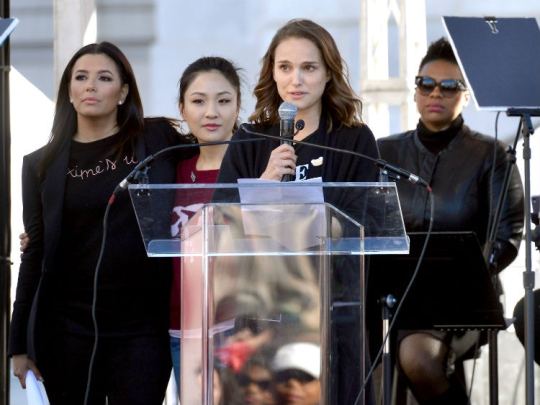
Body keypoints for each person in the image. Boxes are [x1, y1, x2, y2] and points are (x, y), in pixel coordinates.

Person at [9, 41, 194, 405]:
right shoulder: (40, 165)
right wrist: (18, 344)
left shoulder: (155, 139)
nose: (91, 85)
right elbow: (35, 254)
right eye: (81, 77)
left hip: (142, 329)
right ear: (69, 90)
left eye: (104, 78)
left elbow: (213, 157)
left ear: (123, 92)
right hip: (66, 330)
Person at [217, 18, 380, 405]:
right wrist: (265, 182)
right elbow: (220, 219)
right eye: (285, 67)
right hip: (262, 309)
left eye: (309, 67)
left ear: (328, 73)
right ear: (272, 73)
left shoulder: (353, 139)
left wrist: (308, 217)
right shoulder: (250, 139)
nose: (296, 79)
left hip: (332, 308)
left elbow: (365, 221)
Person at [376, 37, 524, 404]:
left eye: (449, 86)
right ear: (415, 91)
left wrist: (470, 274)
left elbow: (509, 236)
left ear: (466, 95)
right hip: (395, 295)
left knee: (418, 357)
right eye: (426, 84)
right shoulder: (384, 151)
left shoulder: (492, 155)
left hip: (465, 300)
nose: (435, 93)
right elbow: (368, 223)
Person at [168, 56, 242, 394]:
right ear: (182, 109)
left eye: (223, 101)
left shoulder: (254, 168)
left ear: (238, 107)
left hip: (238, 330)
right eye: (199, 101)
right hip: (181, 329)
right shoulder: (171, 170)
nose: (211, 112)